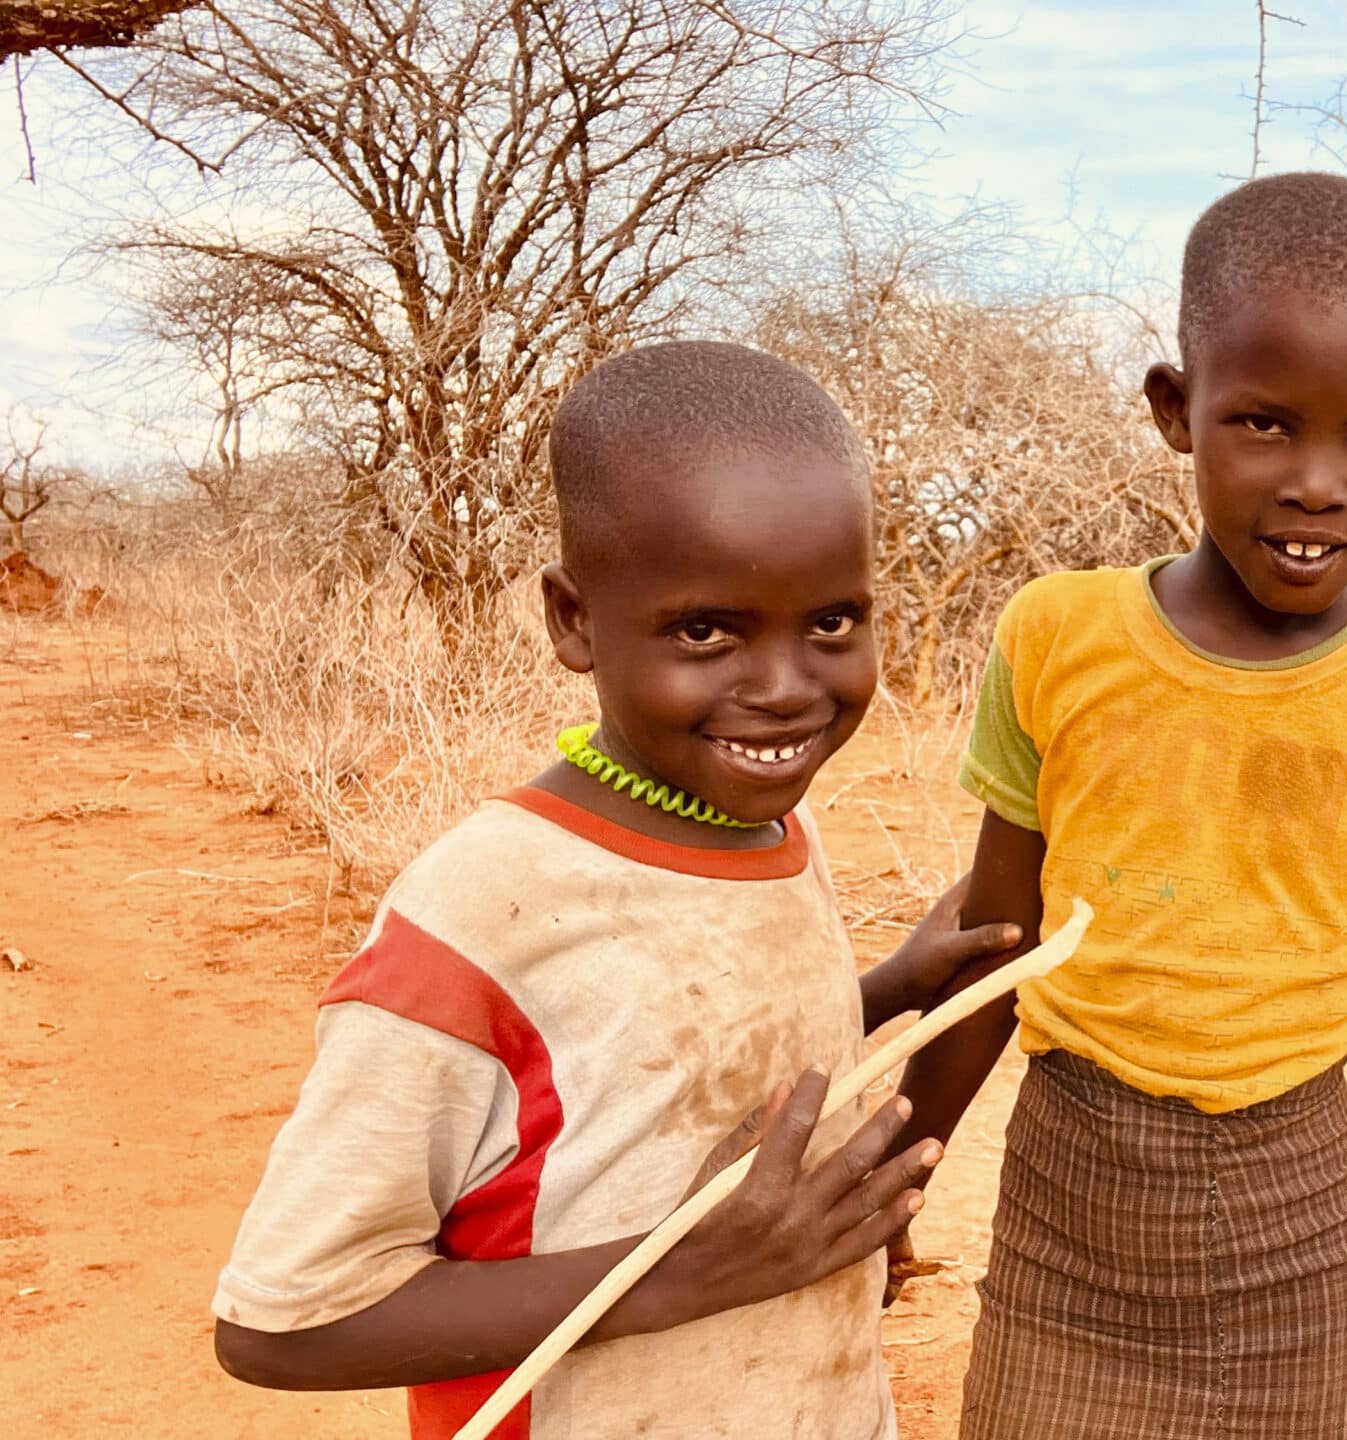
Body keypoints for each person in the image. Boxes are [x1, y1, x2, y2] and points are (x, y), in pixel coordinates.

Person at [210, 341, 1023, 1440]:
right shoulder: (477, 916)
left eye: (832, 622)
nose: (785, 691)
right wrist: (679, 1274)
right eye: (705, 631)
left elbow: (645, 1071)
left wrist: (883, 988)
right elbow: (284, 1323)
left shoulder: (773, 828)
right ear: (572, 621)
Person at [884, 171, 1347, 1439]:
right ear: (1173, 413)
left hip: (1297, 1231)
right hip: (1066, 1220)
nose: (1316, 483)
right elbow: (992, 944)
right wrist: (896, 1186)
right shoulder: (1056, 637)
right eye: (1260, 425)